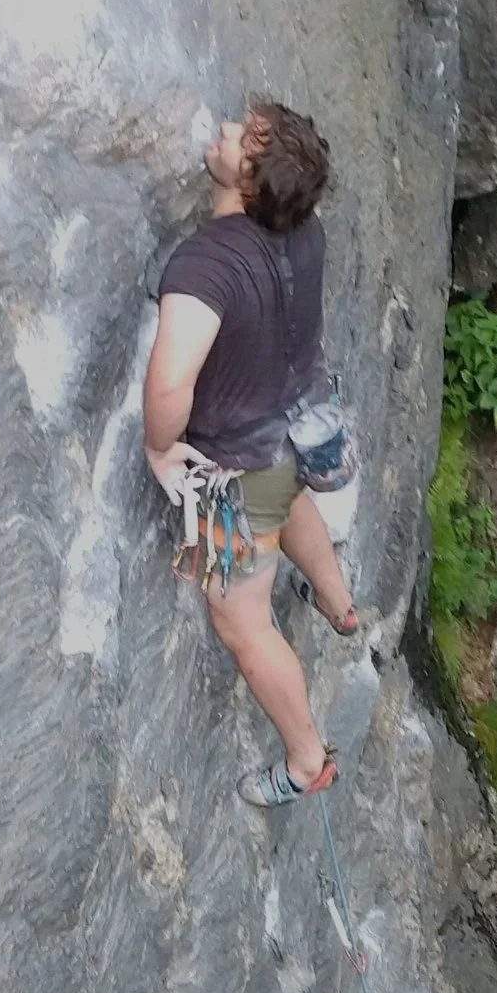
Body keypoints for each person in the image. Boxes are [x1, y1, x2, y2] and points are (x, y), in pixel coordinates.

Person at [143, 101, 360, 809]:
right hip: (305, 425)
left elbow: (171, 381)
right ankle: (339, 603)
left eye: (244, 136)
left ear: (251, 181)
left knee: (241, 621)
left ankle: (304, 762)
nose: (227, 130)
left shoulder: (205, 264)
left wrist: (160, 447)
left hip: (238, 462)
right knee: (287, 493)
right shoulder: (306, 229)